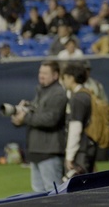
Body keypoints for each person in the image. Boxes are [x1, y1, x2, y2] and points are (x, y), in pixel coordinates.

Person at [11, 60, 67, 192]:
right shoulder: (41, 91)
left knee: (53, 192)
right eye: (40, 72)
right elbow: (37, 115)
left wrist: (26, 117)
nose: (41, 76)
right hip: (36, 150)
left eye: (45, 73)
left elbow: (51, 119)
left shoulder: (58, 93)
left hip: (49, 151)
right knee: (38, 193)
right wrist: (20, 117)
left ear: (55, 75)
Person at [60, 62, 96, 179]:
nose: (64, 81)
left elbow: (75, 128)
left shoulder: (78, 98)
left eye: (65, 78)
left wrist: (69, 156)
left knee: (75, 186)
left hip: (80, 151)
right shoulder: (87, 94)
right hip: (88, 147)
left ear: (71, 78)